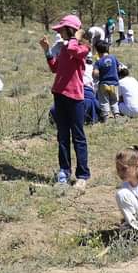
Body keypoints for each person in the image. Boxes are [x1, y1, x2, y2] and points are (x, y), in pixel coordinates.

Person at [40, 14, 92, 187]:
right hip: (59, 94)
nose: (59, 32)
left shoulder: (82, 48)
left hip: (75, 97)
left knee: (78, 136)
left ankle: (82, 175)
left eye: (62, 29)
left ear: (70, 30)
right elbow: (55, 68)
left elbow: (73, 50)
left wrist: (75, 38)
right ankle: (64, 171)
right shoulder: (64, 47)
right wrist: (47, 51)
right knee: (62, 136)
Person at [92, 40, 121, 119]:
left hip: (103, 84)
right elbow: (119, 67)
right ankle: (116, 114)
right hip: (114, 84)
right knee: (114, 100)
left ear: (98, 51)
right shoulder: (113, 58)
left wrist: (96, 77)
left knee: (104, 101)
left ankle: (106, 116)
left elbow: (95, 73)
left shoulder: (98, 62)